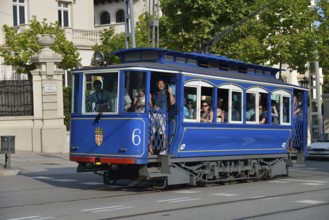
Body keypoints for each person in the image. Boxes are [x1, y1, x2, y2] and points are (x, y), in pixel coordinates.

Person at [149, 79, 175, 155]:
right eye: (159, 83)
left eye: (162, 83)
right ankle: (150, 150)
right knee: (151, 132)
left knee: (163, 132)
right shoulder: (154, 93)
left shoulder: (167, 93)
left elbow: (172, 102)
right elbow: (152, 105)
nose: (161, 85)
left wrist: (171, 93)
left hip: (162, 115)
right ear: (157, 85)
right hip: (154, 114)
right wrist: (150, 99)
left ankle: (164, 148)